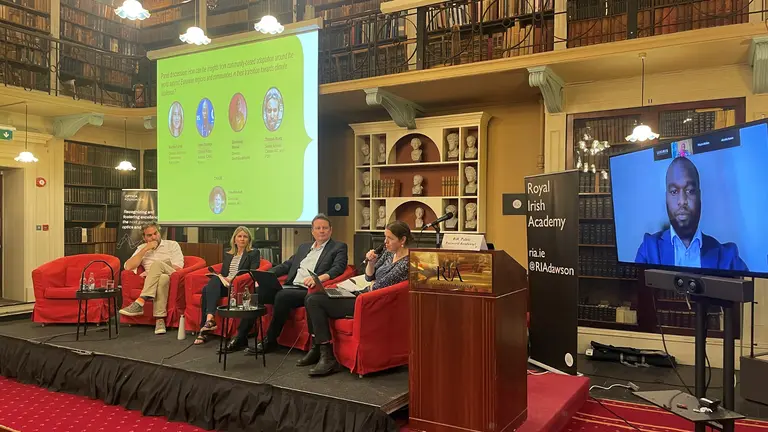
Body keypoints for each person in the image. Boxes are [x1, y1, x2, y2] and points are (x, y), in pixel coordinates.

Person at [219, 214, 349, 354]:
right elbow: (287, 265)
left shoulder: (338, 247)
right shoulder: (304, 247)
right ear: (312, 231)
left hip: (309, 289)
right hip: (291, 285)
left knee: (282, 295)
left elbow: (338, 268)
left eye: (325, 228)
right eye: (318, 228)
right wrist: (266, 275)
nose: (321, 231)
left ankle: (271, 340)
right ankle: (241, 336)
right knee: (259, 293)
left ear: (330, 230)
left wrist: (318, 278)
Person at [299, 221, 411, 376]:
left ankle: (327, 355)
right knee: (313, 297)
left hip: (370, 303)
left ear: (402, 240)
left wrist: (373, 284)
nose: (385, 242)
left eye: (390, 238)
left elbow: (379, 286)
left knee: (315, 301)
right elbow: (369, 276)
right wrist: (371, 263)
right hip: (362, 293)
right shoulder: (388, 253)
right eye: (385, 237)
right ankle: (318, 348)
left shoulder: (407, 262)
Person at [635, 157, 748, 271]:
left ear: (699, 196)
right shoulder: (649, 248)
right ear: (666, 198)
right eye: (674, 192)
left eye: (690, 191)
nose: (682, 201)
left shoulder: (727, 257)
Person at [194, 226, 260, 345]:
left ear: (249, 240)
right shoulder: (228, 254)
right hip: (226, 284)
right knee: (209, 286)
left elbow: (252, 271)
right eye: (239, 236)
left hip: (238, 285)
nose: (242, 239)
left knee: (207, 289)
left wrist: (232, 279)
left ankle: (204, 329)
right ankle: (209, 321)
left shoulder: (253, 253)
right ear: (234, 239)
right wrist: (222, 277)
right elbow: (224, 272)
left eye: (245, 237)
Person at [119, 222, 184, 335]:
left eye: (155, 233)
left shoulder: (172, 245)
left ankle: (140, 301)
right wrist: (145, 250)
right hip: (161, 280)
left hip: (172, 275)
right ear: (144, 238)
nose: (154, 237)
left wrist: (151, 271)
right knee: (162, 278)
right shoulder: (141, 248)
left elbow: (178, 267)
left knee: (157, 265)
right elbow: (128, 266)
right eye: (149, 235)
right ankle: (160, 320)